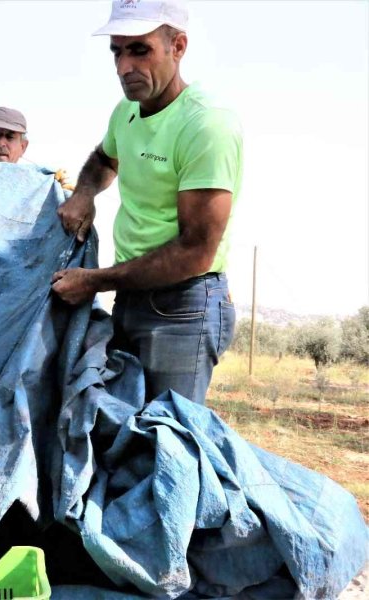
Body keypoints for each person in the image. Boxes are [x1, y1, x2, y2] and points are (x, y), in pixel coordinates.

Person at [51, 0, 242, 405]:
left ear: (178, 47)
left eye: (140, 49)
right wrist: (85, 193)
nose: (124, 67)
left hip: (184, 308)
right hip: (131, 296)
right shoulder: (127, 113)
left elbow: (195, 251)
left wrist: (96, 280)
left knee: (168, 441)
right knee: (125, 434)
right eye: (117, 51)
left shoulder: (206, 124)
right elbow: (104, 158)